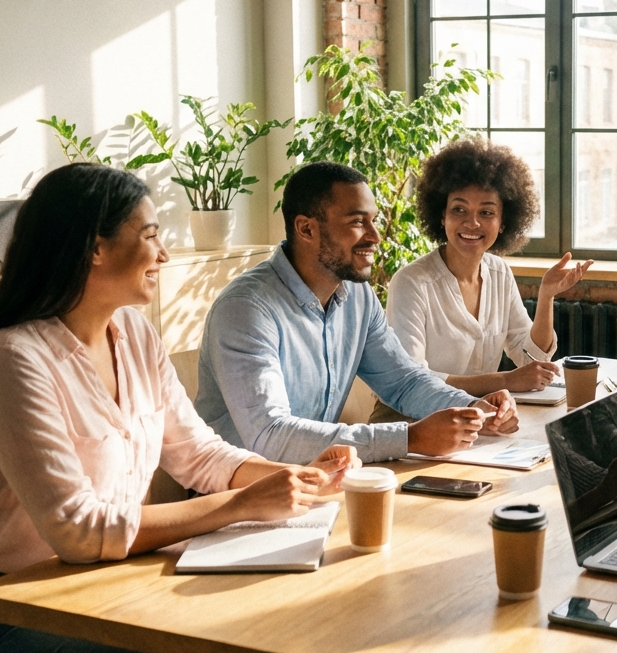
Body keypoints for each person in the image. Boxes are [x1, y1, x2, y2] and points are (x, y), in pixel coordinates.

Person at [0, 164, 355, 653]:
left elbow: (198, 453)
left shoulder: (133, 332)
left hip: (101, 584)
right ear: (94, 247)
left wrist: (295, 476)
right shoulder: (12, 360)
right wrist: (241, 505)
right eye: (151, 236)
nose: (164, 255)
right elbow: (80, 531)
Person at [195, 161, 518, 466]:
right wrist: (409, 438)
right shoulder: (246, 309)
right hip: (240, 499)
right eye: (357, 222)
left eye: (373, 220)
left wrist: (473, 408)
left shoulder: (356, 295)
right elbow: (269, 435)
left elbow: (403, 380)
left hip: (315, 481)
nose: (375, 237)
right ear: (306, 229)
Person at [385, 139, 591, 396]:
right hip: (415, 420)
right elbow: (413, 381)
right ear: (442, 216)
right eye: (459, 209)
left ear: (503, 222)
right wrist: (505, 381)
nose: (472, 223)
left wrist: (546, 295)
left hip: (479, 416)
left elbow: (531, 360)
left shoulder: (499, 272)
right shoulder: (411, 282)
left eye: (486, 213)